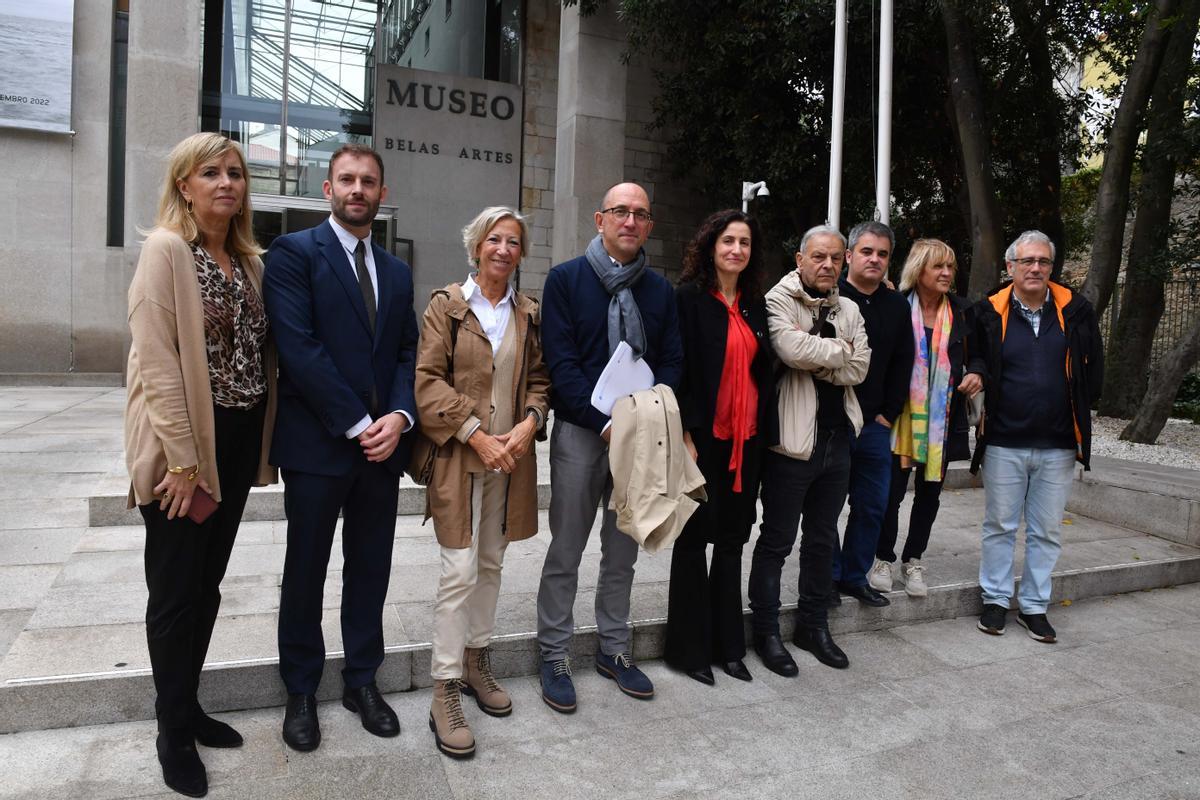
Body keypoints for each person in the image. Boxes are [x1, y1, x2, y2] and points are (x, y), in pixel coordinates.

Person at [124, 132, 276, 797]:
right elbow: (157, 362)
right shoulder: (166, 250)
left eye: (235, 173)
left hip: (235, 443)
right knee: (175, 591)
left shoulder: (248, 262)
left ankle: (186, 706)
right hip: (182, 449)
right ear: (184, 185)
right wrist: (183, 463)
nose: (226, 183)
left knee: (207, 585)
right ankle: (172, 732)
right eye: (210, 172)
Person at [263, 144, 419, 751]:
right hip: (319, 446)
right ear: (327, 188)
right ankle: (301, 689)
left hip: (383, 450)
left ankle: (361, 680)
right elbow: (298, 347)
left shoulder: (397, 271)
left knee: (370, 569)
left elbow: (406, 352)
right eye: (347, 180)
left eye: (368, 181)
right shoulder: (294, 253)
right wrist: (359, 422)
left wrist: (399, 417)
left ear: (383, 193)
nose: (358, 189)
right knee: (305, 571)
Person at [535, 182, 684, 712]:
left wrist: (647, 419)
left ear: (649, 225)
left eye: (640, 214)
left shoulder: (659, 291)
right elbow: (561, 362)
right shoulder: (566, 280)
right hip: (583, 433)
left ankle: (613, 648)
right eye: (620, 211)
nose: (630, 221)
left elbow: (671, 360)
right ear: (600, 220)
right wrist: (605, 424)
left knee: (623, 550)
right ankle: (554, 653)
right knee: (567, 548)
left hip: (640, 439)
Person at [415, 207, 550, 758]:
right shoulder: (446, 306)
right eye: (494, 239)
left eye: (513, 242)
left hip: (509, 462)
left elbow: (539, 380)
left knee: (492, 564)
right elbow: (427, 382)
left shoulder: (527, 313)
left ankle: (476, 661)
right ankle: (443, 687)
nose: (503, 249)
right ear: (477, 247)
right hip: (460, 458)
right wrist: (476, 434)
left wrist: (530, 423)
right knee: (459, 571)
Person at [968, 230, 1103, 642]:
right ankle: (995, 600)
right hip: (1004, 440)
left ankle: (1033, 606)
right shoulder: (988, 312)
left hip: (1058, 443)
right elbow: (976, 356)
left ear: (1051, 267)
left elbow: (1094, 368)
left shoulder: (1076, 311)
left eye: (1043, 261)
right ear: (1010, 267)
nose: (1035, 268)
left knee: (1046, 530)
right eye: (1027, 261)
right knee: (1000, 525)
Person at [748, 225, 870, 677]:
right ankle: (766, 631)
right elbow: (790, 348)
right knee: (777, 541)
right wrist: (839, 350)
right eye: (819, 256)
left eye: (836, 258)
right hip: (791, 444)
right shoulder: (778, 300)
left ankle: (813, 626)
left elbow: (861, 366)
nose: (828, 265)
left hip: (837, 442)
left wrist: (824, 357)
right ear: (800, 259)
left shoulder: (849, 307)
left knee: (822, 540)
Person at [665, 209, 773, 686]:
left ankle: (729, 647)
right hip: (701, 442)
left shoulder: (754, 305)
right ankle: (689, 651)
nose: (736, 249)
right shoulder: (687, 299)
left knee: (731, 543)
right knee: (692, 542)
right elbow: (677, 369)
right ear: (711, 246)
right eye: (728, 240)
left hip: (747, 445)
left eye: (744, 242)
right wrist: (686, 433)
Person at [872, 239, 980, 597]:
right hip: (899, 417)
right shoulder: (896, 306)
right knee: (891, 494)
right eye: (938, 266)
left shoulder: (963, 311)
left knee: (930, 494)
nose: (947, 273)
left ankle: (913, 559)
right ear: (919, 271)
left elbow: (980, 355)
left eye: (950, 266)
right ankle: (883, 557)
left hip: (943, 420)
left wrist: (977, 372)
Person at [833, 221, 914, 608]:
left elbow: (903, 360)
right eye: (866, 251)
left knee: (871, 505)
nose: (874, 259)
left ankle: (854, 576)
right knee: (825, 507)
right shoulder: (829, 296)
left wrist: (889, 413)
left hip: (875, 426)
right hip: (832, 422)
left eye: (882, 254)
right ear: (849, 255)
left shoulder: (896, 305)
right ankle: (826, 575)